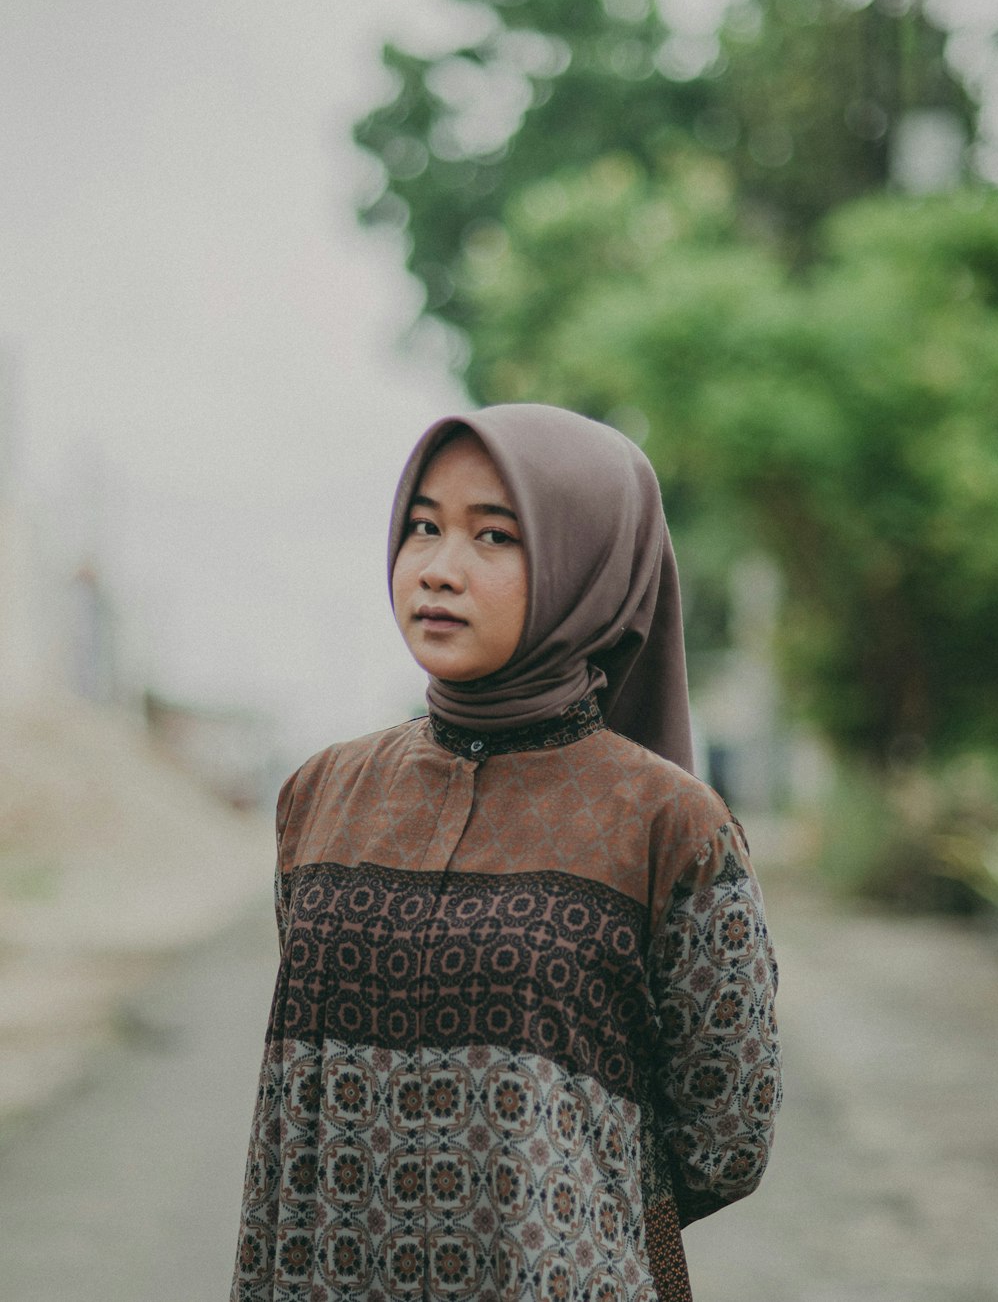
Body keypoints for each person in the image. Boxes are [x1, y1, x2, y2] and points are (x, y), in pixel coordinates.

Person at [232, 403, 781, 1302]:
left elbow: (725, 1139)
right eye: (423, 528)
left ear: (586, 566)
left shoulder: (670, 823)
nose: (439, 569)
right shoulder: (322, 793)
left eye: (495, 536)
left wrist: (554, 1203)